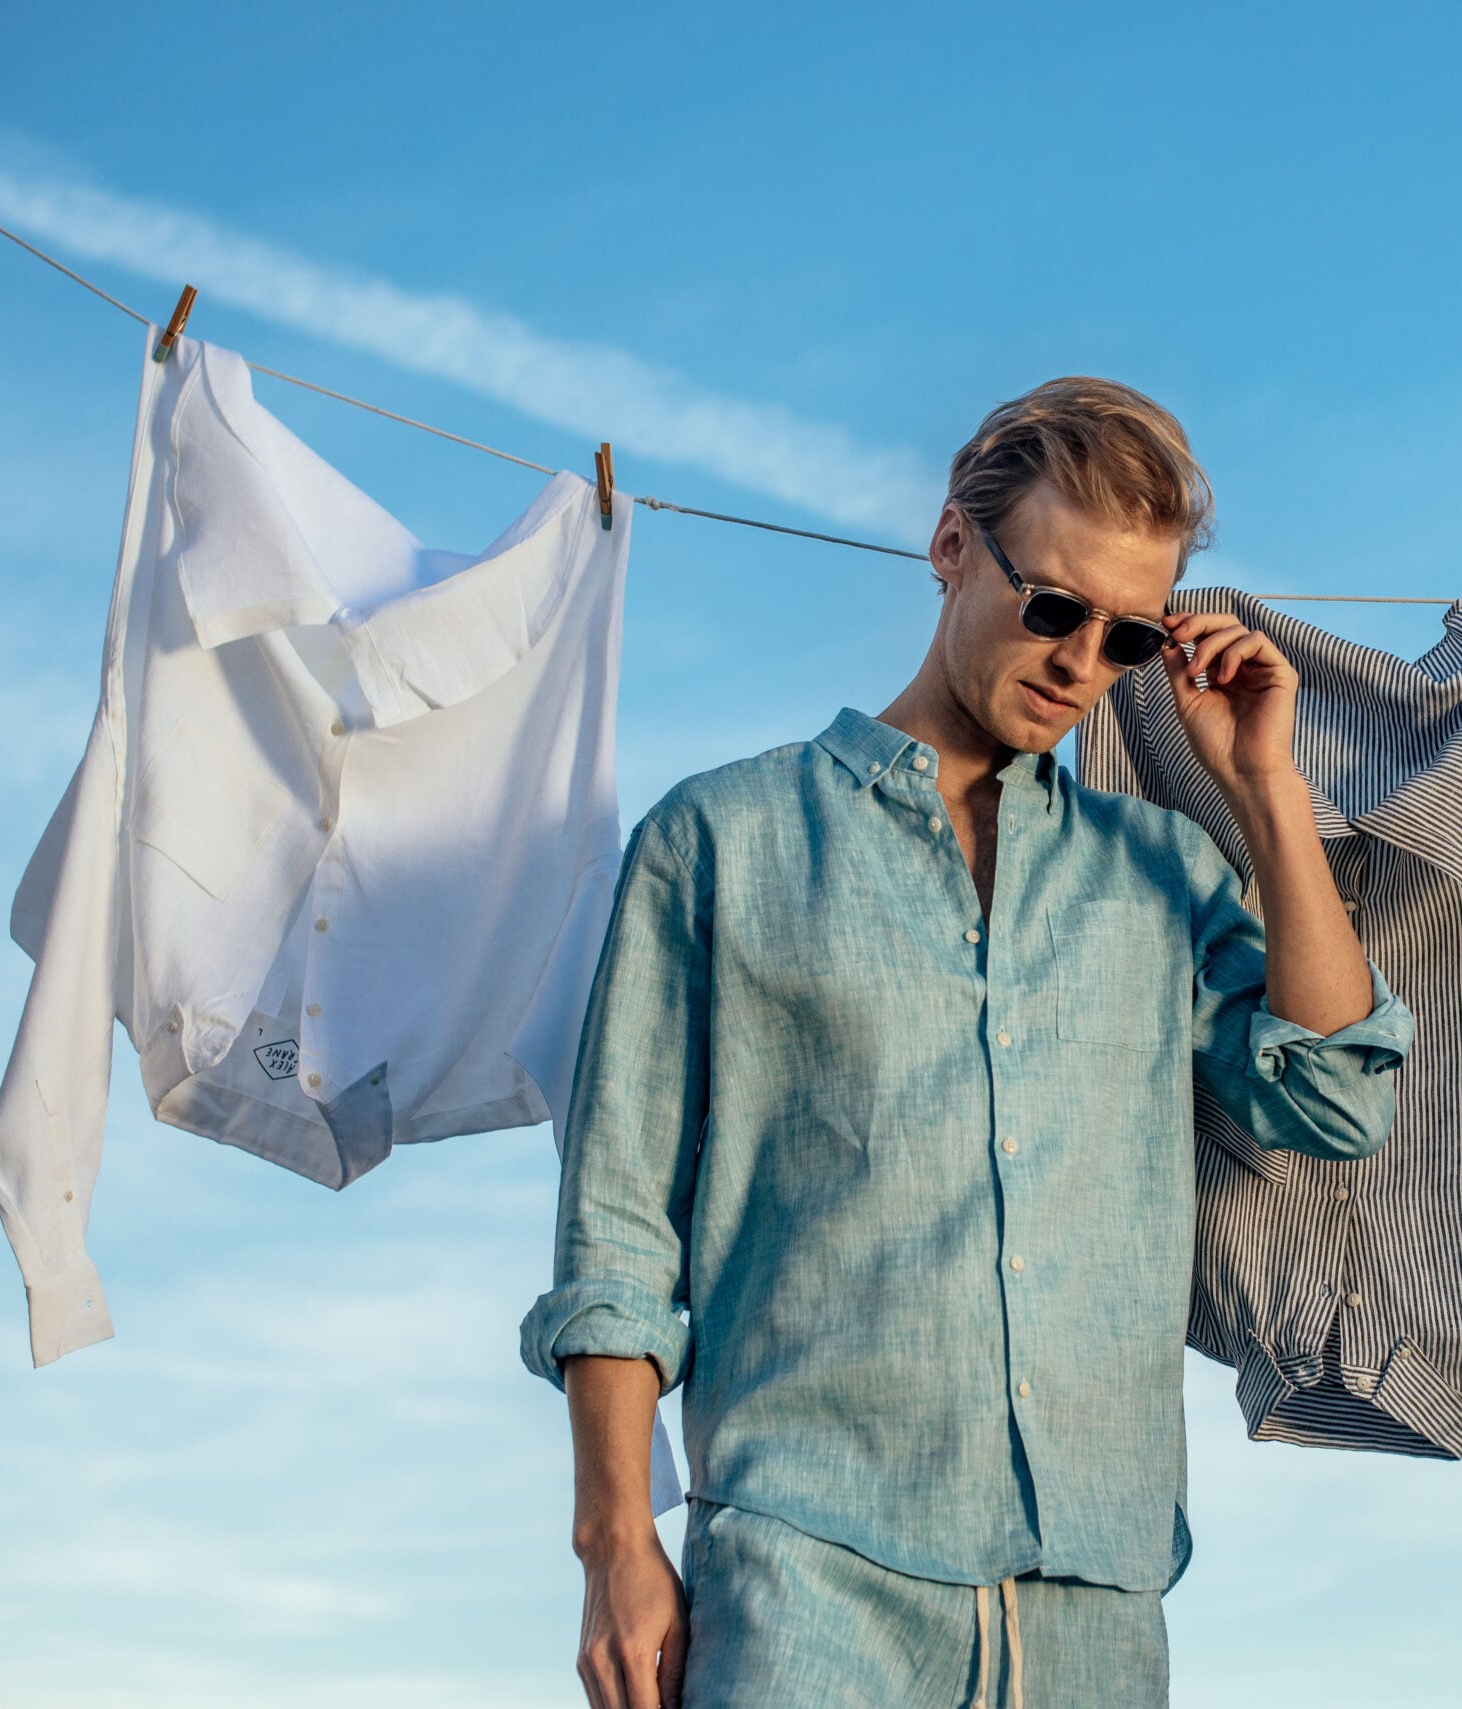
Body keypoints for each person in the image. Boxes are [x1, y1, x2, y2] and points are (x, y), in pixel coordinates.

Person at [521, 377, 1414, 1709]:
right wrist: (614, 1546)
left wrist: (1267, 792)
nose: (1077, 663)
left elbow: (1337, 1099)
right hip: (810, 1585)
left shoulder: (1159, 873)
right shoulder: (719, 841)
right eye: (1052, 606)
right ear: (953, 547)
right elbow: (618, 1237)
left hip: (1098, 1608)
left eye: (1126, 640)